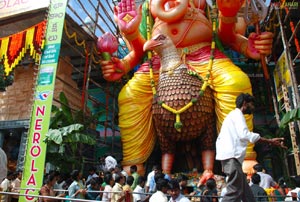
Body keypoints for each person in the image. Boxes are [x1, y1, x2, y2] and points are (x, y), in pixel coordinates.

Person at [100, 0, 274, 177]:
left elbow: (227, 37)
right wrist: (128, 46)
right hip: (160, 61)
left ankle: (243, 157)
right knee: (129, 95)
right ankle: (134, 165)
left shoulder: (205, 2)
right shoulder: (148, 6)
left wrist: (241, 37)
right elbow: (140, 50)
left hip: (205, 55)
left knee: (235, 82)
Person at [215, 93, 286, 201]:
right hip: (232, 158)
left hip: (231, 159)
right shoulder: (237, 115)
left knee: (247, 195)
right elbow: (245, 134)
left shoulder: (232, 116)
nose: (253, 108)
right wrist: (270, 141)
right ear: (245, 103)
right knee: (234, 191)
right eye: (251, 104)